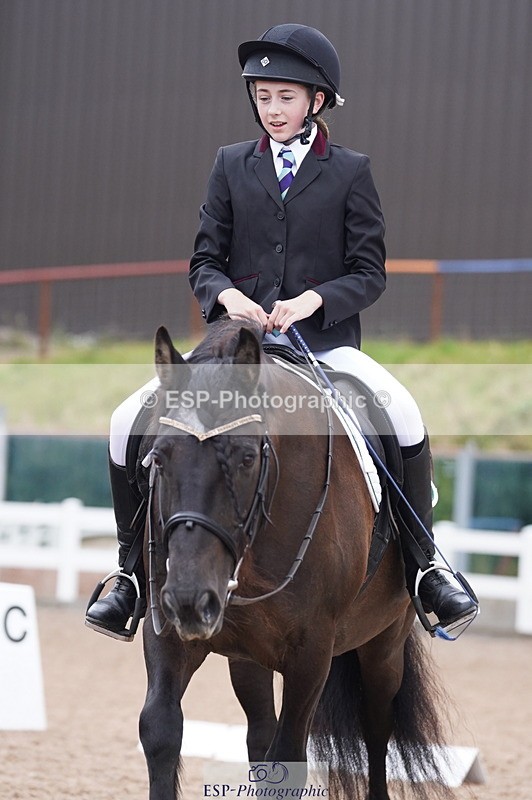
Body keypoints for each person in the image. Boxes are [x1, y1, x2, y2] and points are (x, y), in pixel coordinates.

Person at [85, 23, 477, 642]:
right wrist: (228, 296)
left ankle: (426, 566)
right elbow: (203, 261)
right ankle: (130, 573)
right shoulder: (230, 165)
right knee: (123, 419)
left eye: (285, 97)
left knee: (402, 411)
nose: (273, 109)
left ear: (316, 101)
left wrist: (313, 300)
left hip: (324, 345)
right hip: (231, 345)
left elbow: (370, 273)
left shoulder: (351, 172)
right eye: (264, 96)